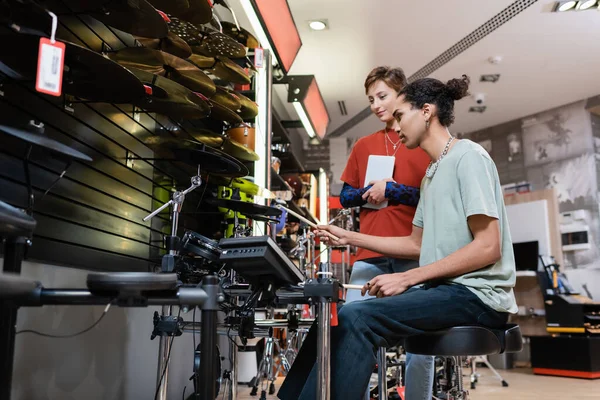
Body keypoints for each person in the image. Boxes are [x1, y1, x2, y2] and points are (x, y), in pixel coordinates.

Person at [277, 75, 517, 400]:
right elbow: (414, 244)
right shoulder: (433, 174)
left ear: (427, 112)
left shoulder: (468, 157)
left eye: (401, 114)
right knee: (332, 318)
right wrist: (348, 236)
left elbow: (488, 247)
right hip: (449, 290)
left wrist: (408, 277)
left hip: (477, 296)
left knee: (358, 316)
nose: (396, 123)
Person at [338, 66, 434, 398]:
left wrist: (392, 190)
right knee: (350, 330)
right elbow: (345, 196)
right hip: (369, 255)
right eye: (371, 100)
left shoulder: (422, 142)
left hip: (414, 254)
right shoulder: (364, 145)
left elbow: (431, 196)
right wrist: (370, 190)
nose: (376, 105)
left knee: (422, 342)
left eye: (382, 96)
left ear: (401, 94)